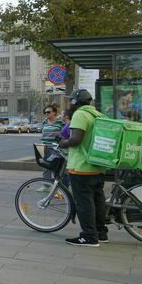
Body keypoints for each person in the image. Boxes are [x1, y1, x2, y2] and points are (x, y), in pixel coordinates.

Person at [58, 89, 106, 247]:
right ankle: (101, 233)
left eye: (70, 101)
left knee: (84, 202)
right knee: (97, 201)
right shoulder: (98, 114)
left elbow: (76, 139)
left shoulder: (80, 114)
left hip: (82, 166)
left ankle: (89, 237)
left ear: (75, 102)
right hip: (98, 165)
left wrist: (63, 143)